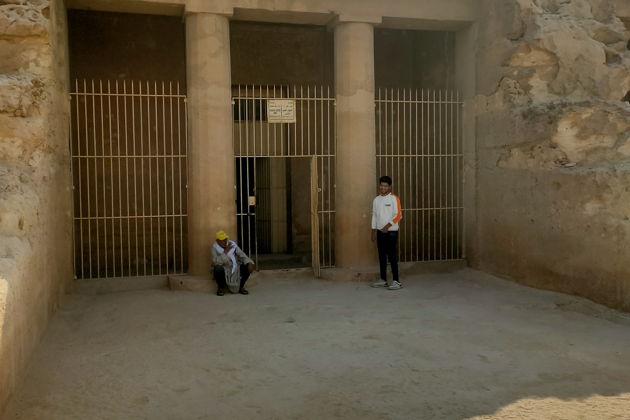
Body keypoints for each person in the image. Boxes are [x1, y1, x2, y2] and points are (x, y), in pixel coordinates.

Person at [370, 176, 403, 290]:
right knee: (382, 256)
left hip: (391, 232)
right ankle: (383, 279)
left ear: (389, 187)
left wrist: (387, 226)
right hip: (380, 232)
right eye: (381, 185)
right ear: (379, 185)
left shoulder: (394, 198)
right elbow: (374, 216)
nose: (383, 188)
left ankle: (396, 281)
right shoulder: (376, 200)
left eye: (385, 186)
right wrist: (373, 231)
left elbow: (398, 215)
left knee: (392, 256)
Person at [212, 230, 256, 296]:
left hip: (235, 267)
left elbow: (242, 255)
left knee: (247, 267)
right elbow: (216, 262)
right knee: (217, 269)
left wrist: (250, 262)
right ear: (217, 241)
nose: (225, 241)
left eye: (225, 239)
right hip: (224, 268)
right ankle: (221, 288)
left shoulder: (232, 245)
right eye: (222, 240)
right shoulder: (214, 248)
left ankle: (241, 287)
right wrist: (225, 252)